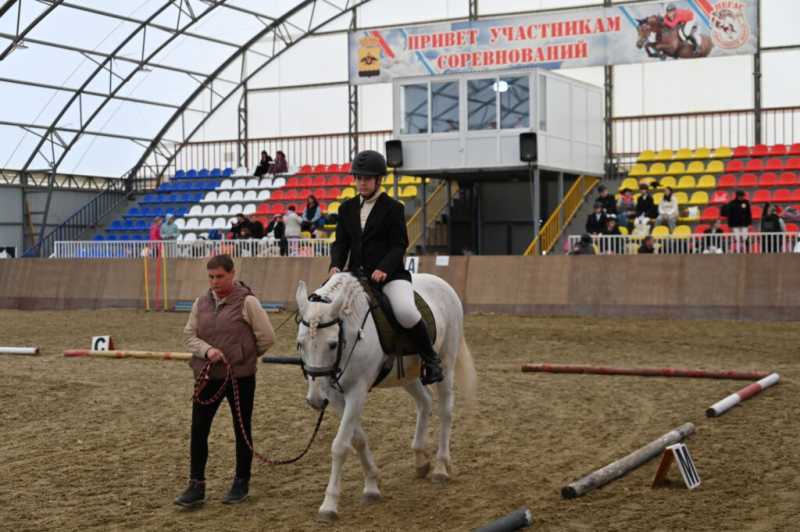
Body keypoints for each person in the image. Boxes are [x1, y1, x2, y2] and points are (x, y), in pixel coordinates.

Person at [329, 149, 443, 385]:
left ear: (379, 180)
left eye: (367, 178)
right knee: (326, 305)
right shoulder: (346, 208)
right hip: (355, 275)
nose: (362, 182)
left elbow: (399, 244)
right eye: (358, 178)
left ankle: (431, 360)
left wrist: (383, 268)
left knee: (405, 311)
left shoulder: (393, 208)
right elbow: (341, 243)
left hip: (389, 275)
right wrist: (335, 265)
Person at [176, 254, 275, 508]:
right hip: (208, 375)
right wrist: (207, 351)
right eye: (211, 277)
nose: (215, 282)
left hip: (239, 378)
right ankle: (196, 484)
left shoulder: (248, 302)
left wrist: (243, 356)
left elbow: (266, 337)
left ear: (231, 274)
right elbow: (189, 336)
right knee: (199, 429)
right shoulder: (201, 303)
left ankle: (241, 481)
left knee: (242, 429)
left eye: (219, 276)